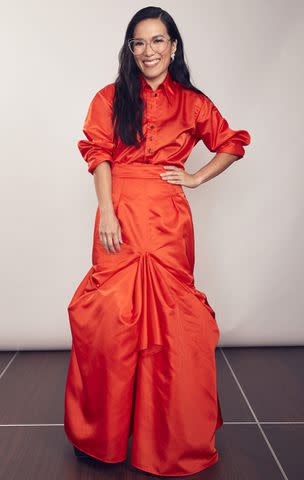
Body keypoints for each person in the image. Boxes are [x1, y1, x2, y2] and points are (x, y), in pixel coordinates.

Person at [64, 6, 251, 477]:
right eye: (139, 43)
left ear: (173, 46)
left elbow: (231, 142)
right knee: (109, 321)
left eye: (158, 41)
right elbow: (98, 155)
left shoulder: (192, 102)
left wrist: (194, 177)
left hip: (168, 224)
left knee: (170, 326)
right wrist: (107, 210)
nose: (149, 51)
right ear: (131, 50)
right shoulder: (109, 98)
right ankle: (100, 437)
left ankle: (168, 440)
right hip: (120, 216)